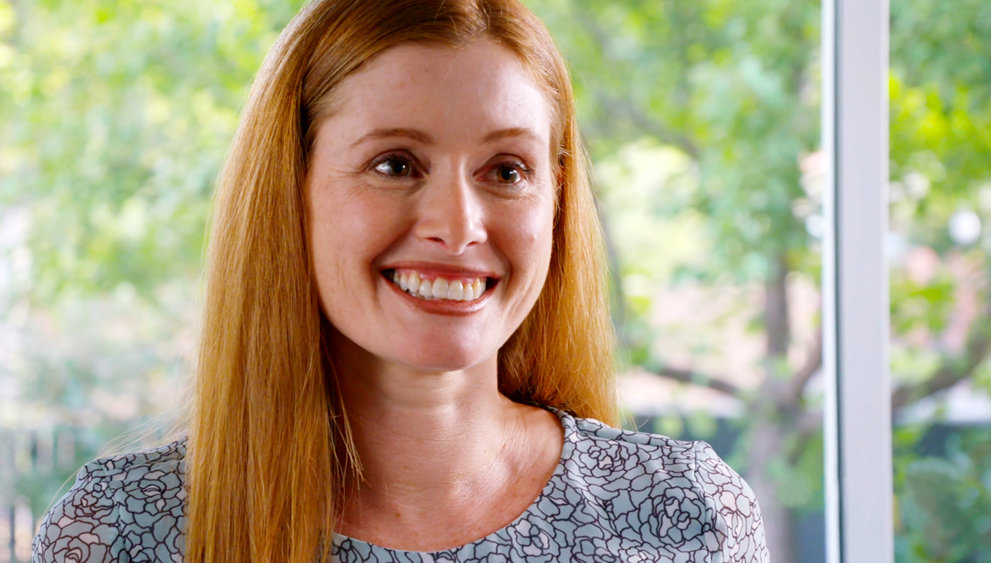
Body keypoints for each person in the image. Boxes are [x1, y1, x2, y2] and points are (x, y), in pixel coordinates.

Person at [32, 0, 769, 561]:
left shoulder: (685, 517)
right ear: (289, 192)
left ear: (557, 202)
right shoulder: (118, 533)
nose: (458, 226)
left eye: (507, 171)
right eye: (395, 164)